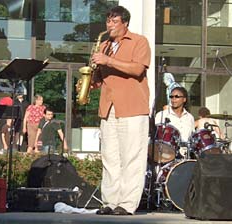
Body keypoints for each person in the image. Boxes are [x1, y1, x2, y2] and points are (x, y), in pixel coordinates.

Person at [89, 6, 151, 215]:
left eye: (114, 22)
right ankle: (109, 202)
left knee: (132, 157)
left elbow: (137, 69)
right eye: (108, 21)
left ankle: (127, 204)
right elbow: (100, 78)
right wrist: (91, 79)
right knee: (110, 157)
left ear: (125, 23)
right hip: (108, 107)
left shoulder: (139, 41)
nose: (109, 26)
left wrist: (108, 61)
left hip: (133, 106)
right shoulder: (104, 45)